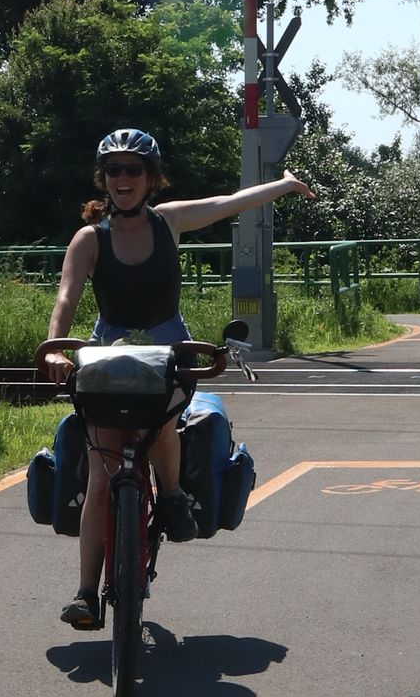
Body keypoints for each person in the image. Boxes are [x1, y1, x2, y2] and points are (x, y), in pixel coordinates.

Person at [46, 128, 314, 629]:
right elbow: (66, 298)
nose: (123, 179)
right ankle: (86, 594)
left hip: (169, 352)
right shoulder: (90, 238)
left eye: (133, 170)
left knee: (164, 418)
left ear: (152, 179)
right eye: (114, 170)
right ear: (103, 179)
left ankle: (169, 494)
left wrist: (284, 184)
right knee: (102, 476)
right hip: (108, 356)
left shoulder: (169, 223)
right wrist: (59, 350)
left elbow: (231, 202)